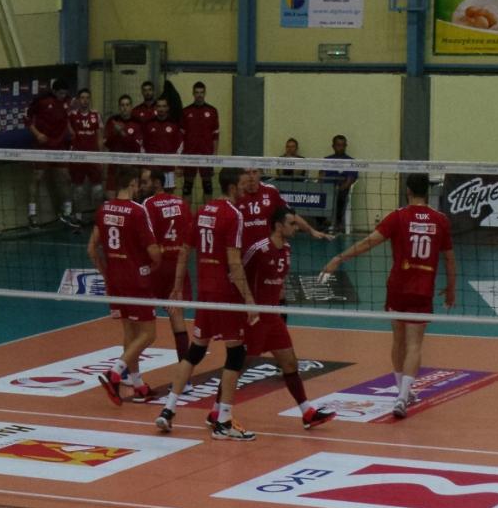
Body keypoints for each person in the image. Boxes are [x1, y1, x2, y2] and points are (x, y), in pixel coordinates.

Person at [321, 174, 456, 418]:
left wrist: (339, 258)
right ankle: (403, 397)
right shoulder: (440, 220)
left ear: (407, 191)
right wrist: (452, 288)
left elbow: (368, 242)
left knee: (398, 340)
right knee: (415, 344)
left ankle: (400, 390)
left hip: (398, 288)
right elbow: (449, 258)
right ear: (427, 192)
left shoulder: (397, 216)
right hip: (422, 290)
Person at [155, 167, 258, 441]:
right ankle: (223, 421)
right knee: (236, 354)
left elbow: (184, 251)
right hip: (225, 293)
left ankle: (168, 409)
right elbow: (234, 262)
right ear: (233, 187)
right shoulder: (234, 214)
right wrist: (249, 299)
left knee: (196, 351)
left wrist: (177, 287)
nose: (246, 186)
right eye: (242, 183)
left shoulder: (202, 211)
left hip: (205, 291)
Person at [243, 207, 337, 429]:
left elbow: (279, 282)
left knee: (290, 362)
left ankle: (307, 413)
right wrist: (247, 304)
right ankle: (218, 411)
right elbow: (237, 274)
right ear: (278, 226)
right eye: (292, 224)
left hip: (274, 317)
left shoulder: (286, 249)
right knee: (238, 365)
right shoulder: (259, 249)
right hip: (255, 318)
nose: (296, 228)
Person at [90, 165, 161, 405]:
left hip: (115, 280)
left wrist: (106, 273)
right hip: (136, 280)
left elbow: (91, 249)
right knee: (149, 334)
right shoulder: (138, 211)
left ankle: (138, 385)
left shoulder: (103, 209)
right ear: (133, 184)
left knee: (130, 333)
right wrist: (156, 263)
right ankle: (115, 373)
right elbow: (153, 251)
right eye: (138, 184)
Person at [142, 167, 195, 364]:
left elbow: (146, 237)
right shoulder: (182, 202)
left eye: (145, 182)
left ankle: (127, 369)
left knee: (141, 320)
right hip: (178, 264)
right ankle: (184, 369)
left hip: (157, 266)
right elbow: (191, 235)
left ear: (157, 183)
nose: (142, 186)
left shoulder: (148, 204)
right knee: (177, 316)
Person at [24, 79, 75, 228]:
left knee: (66, 177)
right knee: (37, 177)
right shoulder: (42, 101)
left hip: (59, 147)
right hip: (42, 146)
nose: (62, 96)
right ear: (54, 91)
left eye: (65, 93)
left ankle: (67, 213)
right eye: (60, 93)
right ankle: (32, 215)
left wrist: (71, 131)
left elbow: (67, 118)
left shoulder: (68, 101)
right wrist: (37, 134)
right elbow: (26, 117)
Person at [68, 88, 104, 223]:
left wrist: (100, 157)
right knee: (77, 189)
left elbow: (99, 136)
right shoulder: (72, 115)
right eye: (82, 98)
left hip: (93, 156)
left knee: (98, 189)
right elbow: (68, 130)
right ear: (78, 100)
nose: (85, 100)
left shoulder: (95, 115)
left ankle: (98, 217)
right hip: (78, 157)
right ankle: (77, 217)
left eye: (87, 97)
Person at [181, 82, 219, 201]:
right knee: (187, 186)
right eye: (197, 92)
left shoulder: (212, 111)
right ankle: (186, 212)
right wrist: (181, 157)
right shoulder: (186, 111)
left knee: (207, 186)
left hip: (206, 154)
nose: (199, 95)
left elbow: (216, 135)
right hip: (189, 154)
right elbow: (181, 137)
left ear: (205, 93)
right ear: (193, 93)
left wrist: (214, 154)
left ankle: (206, 210)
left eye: (201, 92)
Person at [143, 98, 183, 194]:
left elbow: (180, 146)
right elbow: (143, 145)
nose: (161, 109)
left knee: (168, 193)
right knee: (151, 192)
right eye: (159, 106)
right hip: (153, 167)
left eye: (164, 106)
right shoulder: (149, 124)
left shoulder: (174, 125)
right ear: (155, 108)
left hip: (169, 168)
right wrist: (145, 165)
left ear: (168, 108)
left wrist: (178, 165)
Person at [104, 94, 143, 193]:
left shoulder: (137, 123)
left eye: (127, 105)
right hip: (114, 165)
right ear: (119, 107)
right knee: (111, 194)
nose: (124, 108)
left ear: (131, 107)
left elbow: (136, 147)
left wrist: (122, 133)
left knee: (132, 195)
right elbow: (107, 144)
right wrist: (115, 133)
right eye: (122, 105)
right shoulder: (112, 121)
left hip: (131, 167)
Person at [321, 135, 358, 234]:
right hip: (327, 188)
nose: (341, 147)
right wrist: (325, 188)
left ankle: (338, 224)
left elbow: (350, 180)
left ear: (345, 146)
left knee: (340, 196)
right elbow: (321, 176)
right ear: (333, 146)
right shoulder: (327, 160)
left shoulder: (351, 161)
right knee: (318, 196)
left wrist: (339, 189)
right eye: (338, 145)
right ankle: (323, 223)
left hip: (341, 189)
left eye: (343, 145)